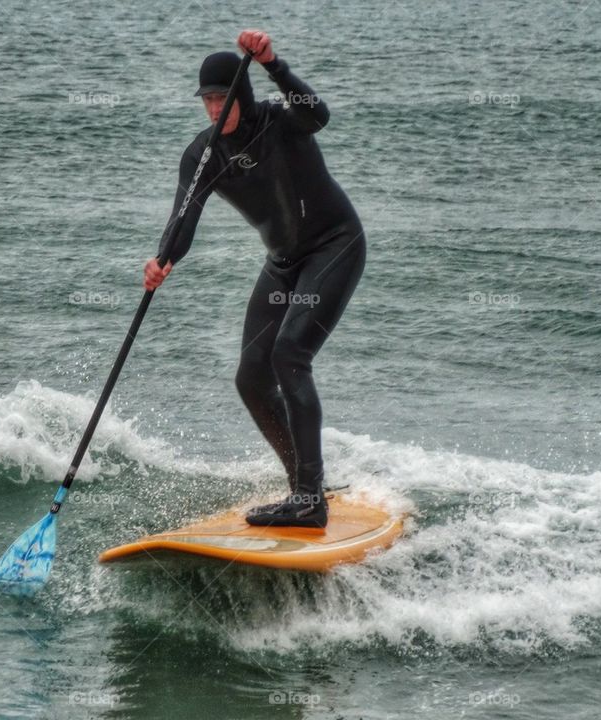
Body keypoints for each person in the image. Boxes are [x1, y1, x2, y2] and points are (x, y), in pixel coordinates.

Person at [142, 29, 365, 528]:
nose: (214, 109)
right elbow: (183, 217)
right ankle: (304, 488)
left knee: (290, 354)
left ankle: (310, 501)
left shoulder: (283, 123)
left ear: (242, 95)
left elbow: (318, 113)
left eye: (223, 98)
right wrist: (162, 260)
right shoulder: (204, 154)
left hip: (334, 246)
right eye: (207, 100)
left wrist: (273, 63)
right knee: (251, 376)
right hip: (284, 262)